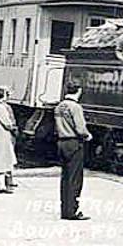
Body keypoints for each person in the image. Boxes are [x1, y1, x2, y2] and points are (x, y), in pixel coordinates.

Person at [54, 81, 93, 220]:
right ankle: (72, 211)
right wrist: (88, 136)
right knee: (75, 179)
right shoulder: (75, 107)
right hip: (73, 142)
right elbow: (80, 128)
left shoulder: (59, 106)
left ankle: (64, 209)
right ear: (79, 91)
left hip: (61, 142)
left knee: (65, 178)